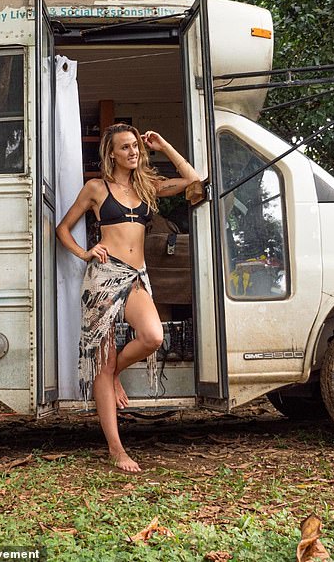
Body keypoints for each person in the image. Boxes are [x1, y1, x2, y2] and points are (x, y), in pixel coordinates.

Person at [56, 123, 200, 472]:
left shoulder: (147, 186)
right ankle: (117, 449)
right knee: (101, 363)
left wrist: (164, 144)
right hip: (104, 278)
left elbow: (196, 182)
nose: (133, 152)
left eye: (135, 146)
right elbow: (62, 228)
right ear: (111, 154)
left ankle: (111, 373)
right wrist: (85, 252)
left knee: (152, 336)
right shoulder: (96, 188)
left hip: (136, 277)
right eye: (125, 147)